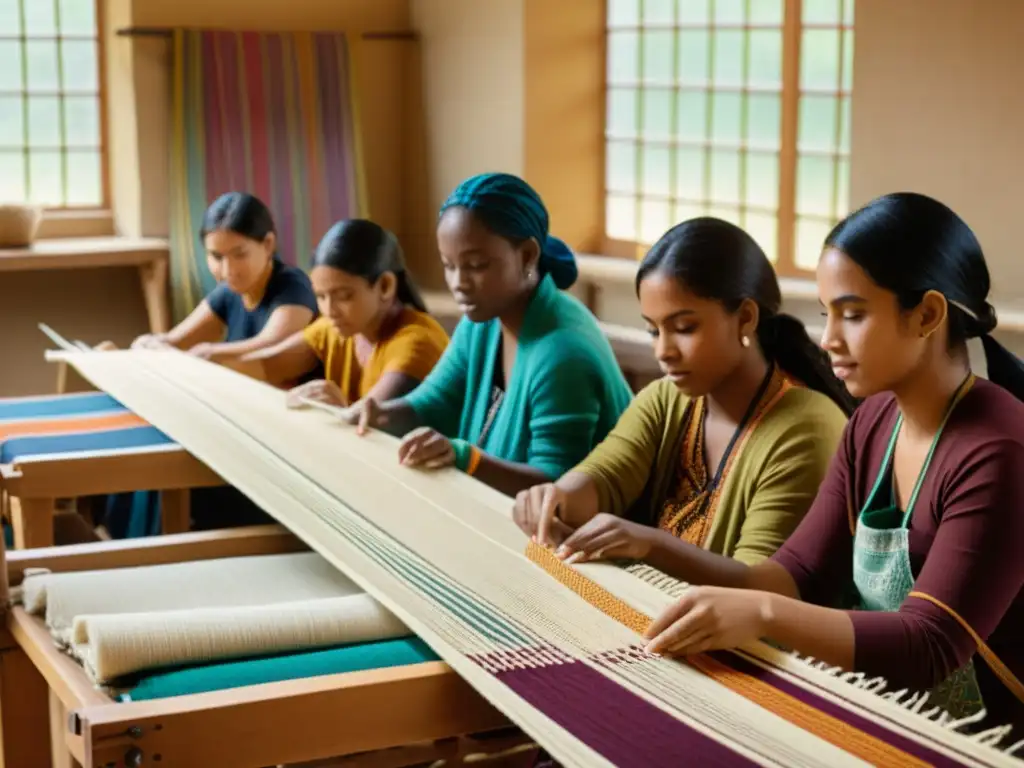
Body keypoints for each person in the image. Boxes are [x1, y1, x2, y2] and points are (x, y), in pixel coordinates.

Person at [635, 194, 1024, 729]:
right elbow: (796, 575)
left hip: (988, 743)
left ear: (928, 314)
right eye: (827, 315)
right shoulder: (872, 422)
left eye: (854, 314)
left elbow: (929, 646)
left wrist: (764, 615)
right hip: (895, 717)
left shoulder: (999, 449)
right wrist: (652, 550)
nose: (828, 340)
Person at [512, 217, 854, 570]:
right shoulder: (666, 399)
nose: (663, 351)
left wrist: (649, 545)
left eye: (684, 328)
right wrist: (555, 499)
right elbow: (607, 475)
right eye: (654, 331)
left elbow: (763, 590)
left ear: (745, 318)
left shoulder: (806, 429)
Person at [348, 172, 633, 497]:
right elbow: (435, 403)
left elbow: (557, 489)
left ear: (527, 255)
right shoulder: (483, 319)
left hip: (571, 544)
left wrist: (464, 459)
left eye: (476, 265)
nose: (458, 282)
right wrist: (374, 413)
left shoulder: (563, 355)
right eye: (449, 264)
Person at [226, 219, 449, 405]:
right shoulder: (337, 329)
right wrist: (203, 364)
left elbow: (371, 423)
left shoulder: (417, 344)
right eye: (321, 297)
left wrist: (339, 411)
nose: (329, 310)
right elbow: (265, 364)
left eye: (344, 296)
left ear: (385, 286)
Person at [130, 192, 317, 363]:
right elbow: (175, 341)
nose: (228, 270)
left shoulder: (294, 287)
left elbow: (273, 347)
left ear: (268, 244)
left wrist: (212, 352)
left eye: (240, 254)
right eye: (217, 257)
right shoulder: (229, 291)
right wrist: (151, 344)